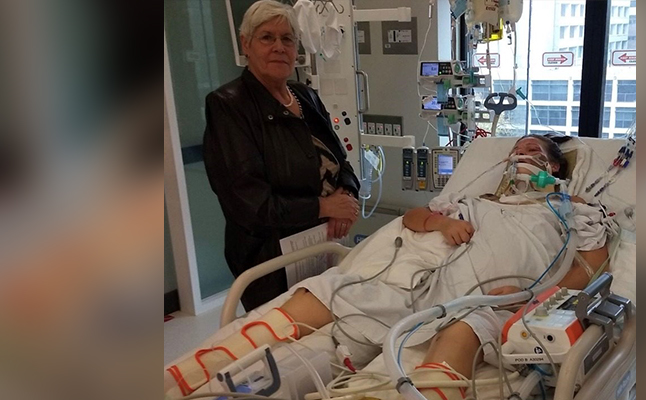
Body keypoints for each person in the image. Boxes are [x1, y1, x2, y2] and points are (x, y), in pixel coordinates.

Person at [166, 134, 612, 398]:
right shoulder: (476, 200)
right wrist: (440, 223)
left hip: (495, 302)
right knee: (328, 292)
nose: (521, 154)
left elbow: (593, 264)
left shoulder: (572, 208)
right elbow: (411, 219)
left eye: (534, 150)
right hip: (431, 285)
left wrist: (533, 300)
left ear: (552, 167)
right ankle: (179, 382)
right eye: (516, 148)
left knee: (462, 331)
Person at [203, 0, 359, 312]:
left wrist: (348, 198)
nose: (279, 47)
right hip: (270, 258)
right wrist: (325, 206)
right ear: (246, 44)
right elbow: (250, 204)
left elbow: (341, 160)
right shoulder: (229, 106)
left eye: (287, 38)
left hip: (320, 243)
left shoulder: (305, 96)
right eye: (267, 37)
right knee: (285, 340)